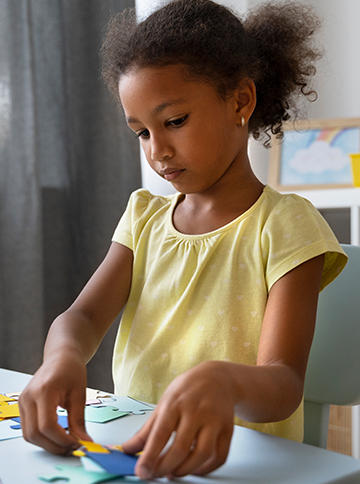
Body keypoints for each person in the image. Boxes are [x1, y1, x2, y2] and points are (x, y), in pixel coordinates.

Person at [19, 0, 347, 480]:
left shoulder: (284, 225)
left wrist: (224, 381)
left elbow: (283, 382)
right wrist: (63, 356)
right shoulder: (144, 217)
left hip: (239, 464)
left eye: (174, 122)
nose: (158, 151)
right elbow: (83, 317)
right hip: (138, 453)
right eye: (142, 133)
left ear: (240, 102)